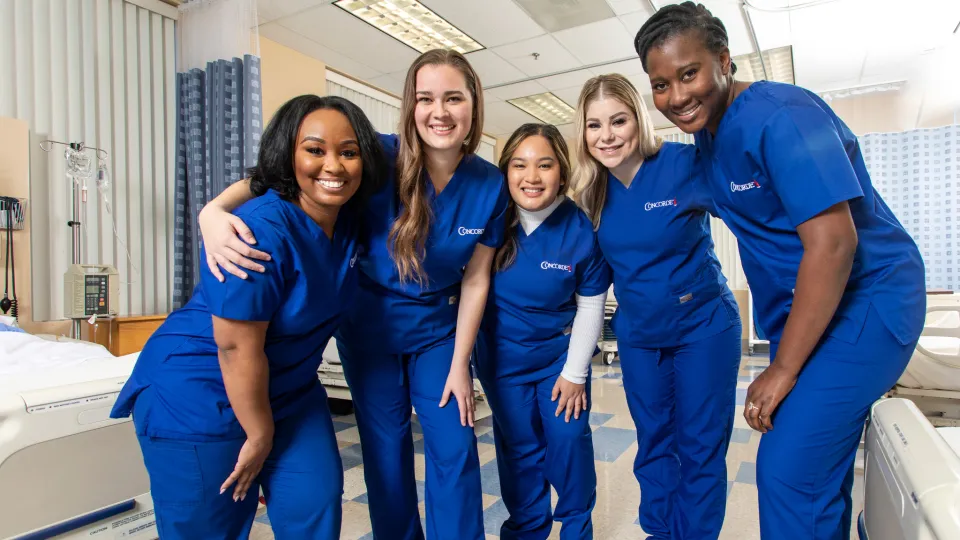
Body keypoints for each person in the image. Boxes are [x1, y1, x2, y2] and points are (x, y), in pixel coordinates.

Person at [634, 3, 927, 538]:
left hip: (869, 302)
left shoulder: (784, 114)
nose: (676, 96)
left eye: (689, 73)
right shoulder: (709, 141)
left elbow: (835, 244)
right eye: (659, 84)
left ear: (724, 60)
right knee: (813, 474)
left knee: (787, 472)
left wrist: (782, 368)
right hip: (818, 315)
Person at [195, 49, 508, 540]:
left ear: (474, 105)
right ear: (410, 105)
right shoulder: (377, 154)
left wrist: (460, 363)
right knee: (385, 456)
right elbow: (280, 177)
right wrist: (212, 211)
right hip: (367, 329)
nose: (439, 112)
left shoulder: (490, 184)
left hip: (436, 334)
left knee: (455, 444)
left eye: (454, 98)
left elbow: (476, 278)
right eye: (426, 98)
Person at [109, 95, 388, 539]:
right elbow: (235, 346)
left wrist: (211, 205)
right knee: (209, 529)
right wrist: (258, 434)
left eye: (348, 152)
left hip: (291, 392)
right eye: (314, 150)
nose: (333, 165)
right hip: (201, 392)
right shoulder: (255, 231)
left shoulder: (346, 216)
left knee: (315, 504)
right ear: (289, 155)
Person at [569, 73, 742, 539]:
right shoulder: (592, 192)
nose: (606, 136)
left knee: (700, 447)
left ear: (638, 120)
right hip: (641, 337)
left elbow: (752, 215)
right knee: (654, 444)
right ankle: (660, 532)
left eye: (618, 120)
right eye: (594, 125)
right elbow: (591, 283)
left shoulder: (682, 164)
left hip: (703, 328)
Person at [475, 123, 609, 539]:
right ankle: (527, 529)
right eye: (519, 165)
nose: (531, 177)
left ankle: (575, 528)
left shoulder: (580, 229)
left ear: (562, 173)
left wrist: (575, 373)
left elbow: (590, 305)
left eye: (544, 165)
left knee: (568, 440)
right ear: (506, 171)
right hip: (501, 363)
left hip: (557, 361)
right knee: (520, 451)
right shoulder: (491, 221)